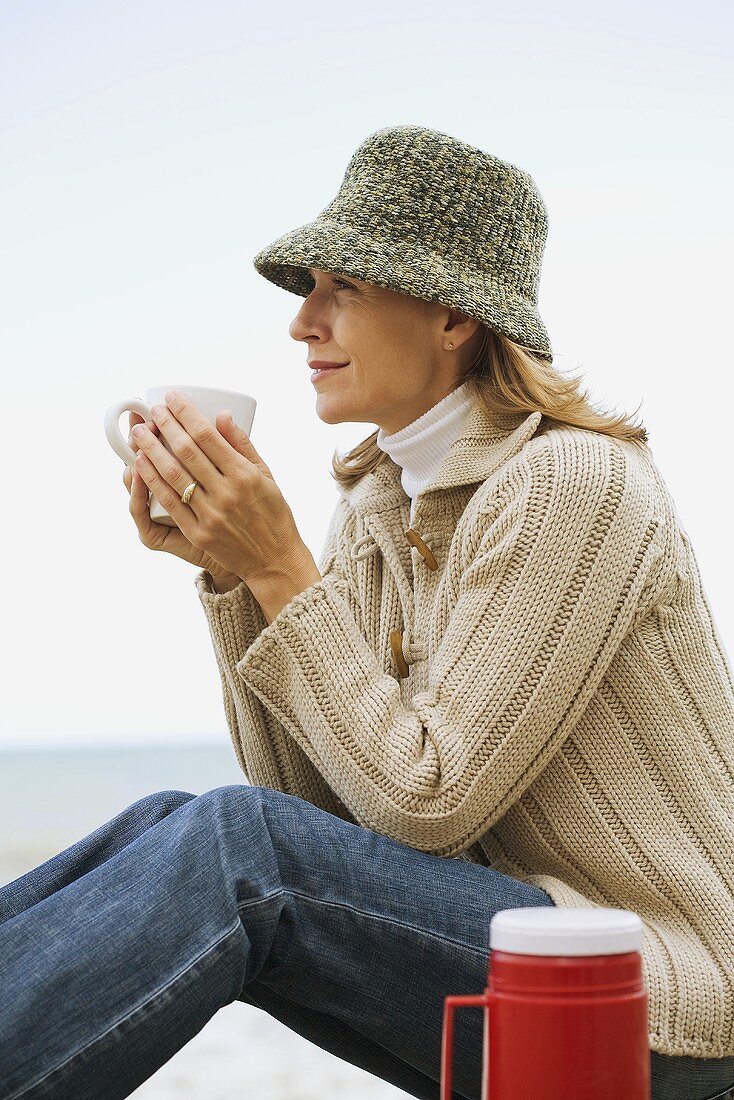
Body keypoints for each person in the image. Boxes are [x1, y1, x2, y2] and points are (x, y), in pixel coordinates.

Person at [2, 124, 733, 1100]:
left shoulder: (571, 481)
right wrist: (234, 578)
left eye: (339, 287)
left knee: (232, 842)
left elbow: (423, 803)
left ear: (451, 317)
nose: (302, 323)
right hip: (519, 953)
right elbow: (312, 812)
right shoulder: (375, 507)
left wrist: (277, 566)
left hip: (662, 996)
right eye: (308, 289)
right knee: (169, 820)